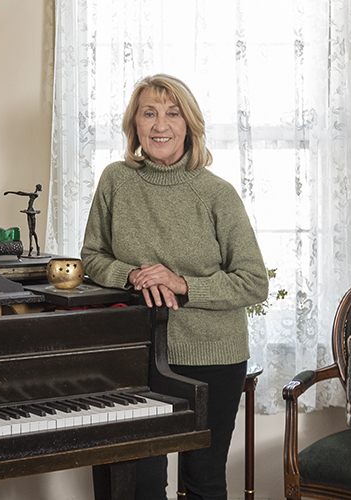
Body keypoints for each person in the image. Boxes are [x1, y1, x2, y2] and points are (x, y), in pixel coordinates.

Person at [81, 74, 269, 500]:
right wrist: (132, 275)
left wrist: (181, 284)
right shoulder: (115, 180)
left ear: (190, 126)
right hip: (140, 356)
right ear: (135, 125)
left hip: (212, 358)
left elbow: (254, 280)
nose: (160, 125)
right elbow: (92, 257)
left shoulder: (217, 194)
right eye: (149, 113)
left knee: (203, 481)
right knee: (140, 484)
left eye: (172, 113)